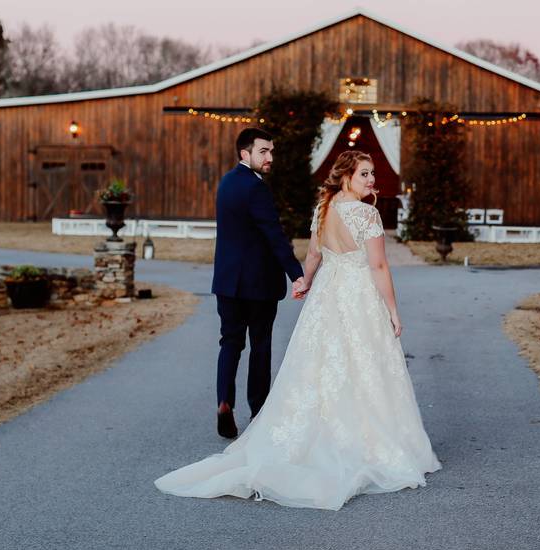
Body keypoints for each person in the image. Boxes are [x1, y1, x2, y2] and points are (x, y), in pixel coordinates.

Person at [155, 150, 441, 511]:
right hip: (357, 296)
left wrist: (305, 282)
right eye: (364, 174)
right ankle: (363, 440)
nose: (371, 180)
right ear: (345, 177)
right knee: (363, 364)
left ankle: (317, 433)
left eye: (372, 174)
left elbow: (314, 256)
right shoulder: (367, 214)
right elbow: (379, 265)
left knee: (318, 365)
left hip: (326, 295)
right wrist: (394, 311)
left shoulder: (323, 209)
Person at [209, 128, 307, 439]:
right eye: (263, 151)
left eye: (271, 152)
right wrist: (296, 272)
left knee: (230, 343)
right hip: (258, 283)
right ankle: (258, 412)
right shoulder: (256, 188)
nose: (270, 158)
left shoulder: (226, 183)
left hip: (226, 281)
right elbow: (273, 234)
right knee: (260, 346)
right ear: (245, 153)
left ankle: (224, 402)